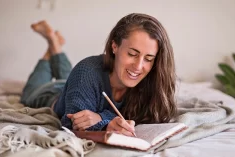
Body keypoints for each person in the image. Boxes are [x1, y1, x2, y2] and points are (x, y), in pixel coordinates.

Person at [21, 13, 177, 137]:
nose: (138, 66)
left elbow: (158, 115)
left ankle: (54, 47)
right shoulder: (86, 71)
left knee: (67, 76)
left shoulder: (152, 78)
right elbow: (72, 124)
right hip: (52, 93)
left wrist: (100, 117)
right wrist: (105, 121)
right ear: (114, 46)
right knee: (29, 94)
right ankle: (50, 50)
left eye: (149, 59)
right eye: (132, 54)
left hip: (77, 85)